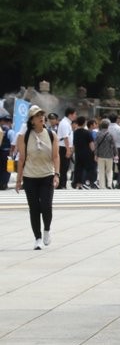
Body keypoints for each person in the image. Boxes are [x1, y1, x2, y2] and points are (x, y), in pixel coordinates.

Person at [15, 105, 59, 249]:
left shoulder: (52, 135)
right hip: (30, 176)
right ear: (32, 120)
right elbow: (21, 159)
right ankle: (37, 238)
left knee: (46, 206)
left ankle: (47, 229)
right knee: (34, 208)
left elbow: (56, 156)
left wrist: (56, 175)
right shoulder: (24, 136)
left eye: (42, 114)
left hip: (47, 175)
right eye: (37, 115)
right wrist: (18, 179)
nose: (41, 117)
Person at [71, 116, 95, 188]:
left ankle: (79, 184)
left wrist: (72, 152)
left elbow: (74, 144)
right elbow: (91, 144)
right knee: (88, 168)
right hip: (87, 153)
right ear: (84, 123)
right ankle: (86, 182)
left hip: (78, 153)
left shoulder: (75, 132)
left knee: (78, 169)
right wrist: (94, 152)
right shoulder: (87, 132)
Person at [94, 119, 117, 189]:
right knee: (109, 170)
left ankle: (102, 185)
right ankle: (109, 184)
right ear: (108, 126)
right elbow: (113, 145)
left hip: (100, 155)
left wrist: (95, 154)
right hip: (109, 155)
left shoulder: (98, 134)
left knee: (101, 170)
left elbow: (96, 145)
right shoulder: (110, 134)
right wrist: (115, 153)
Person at [56, 107, 74, 188]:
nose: (75, 116)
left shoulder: (66, 122)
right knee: (63, 167)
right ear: (70, 114)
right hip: (63, 148)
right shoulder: (64, 123)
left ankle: (62, 184)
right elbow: (65, 137)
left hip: (65, 147)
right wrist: (68, 150)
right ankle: (61, 185)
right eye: (75, 114)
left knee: (65, 167)